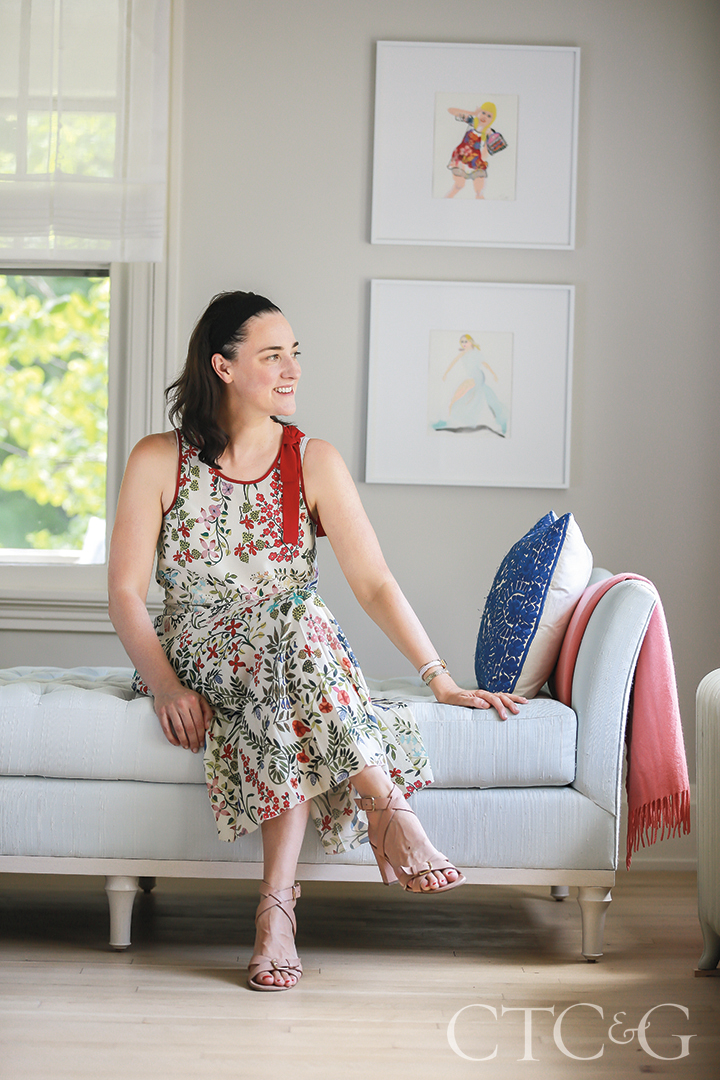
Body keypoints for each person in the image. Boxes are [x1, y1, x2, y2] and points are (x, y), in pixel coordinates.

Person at [108, 291, 524, 992]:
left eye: (295, 354)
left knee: (293, 645)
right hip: (201, 646)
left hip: (291, 650)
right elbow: (125, 592)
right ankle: (387, 806)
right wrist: (168, 686)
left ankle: (276, 913)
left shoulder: (314, 459)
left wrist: (439, 679)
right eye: (273, 356)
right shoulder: (159, 458)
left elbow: (375, 583)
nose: (292, 369)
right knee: (298, 626)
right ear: (224, 366)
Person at [445, 102, 497, 199]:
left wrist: (483, 159)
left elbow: (486, 152)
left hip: (476, 161)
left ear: (492, 119)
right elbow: (451, 110)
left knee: (479, 191)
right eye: (483, 113)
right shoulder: (472, 122)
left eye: (489, 116)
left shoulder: (489, 132)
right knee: (459, 185)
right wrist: (473, 113)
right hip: (461, 158)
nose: (485, 117)